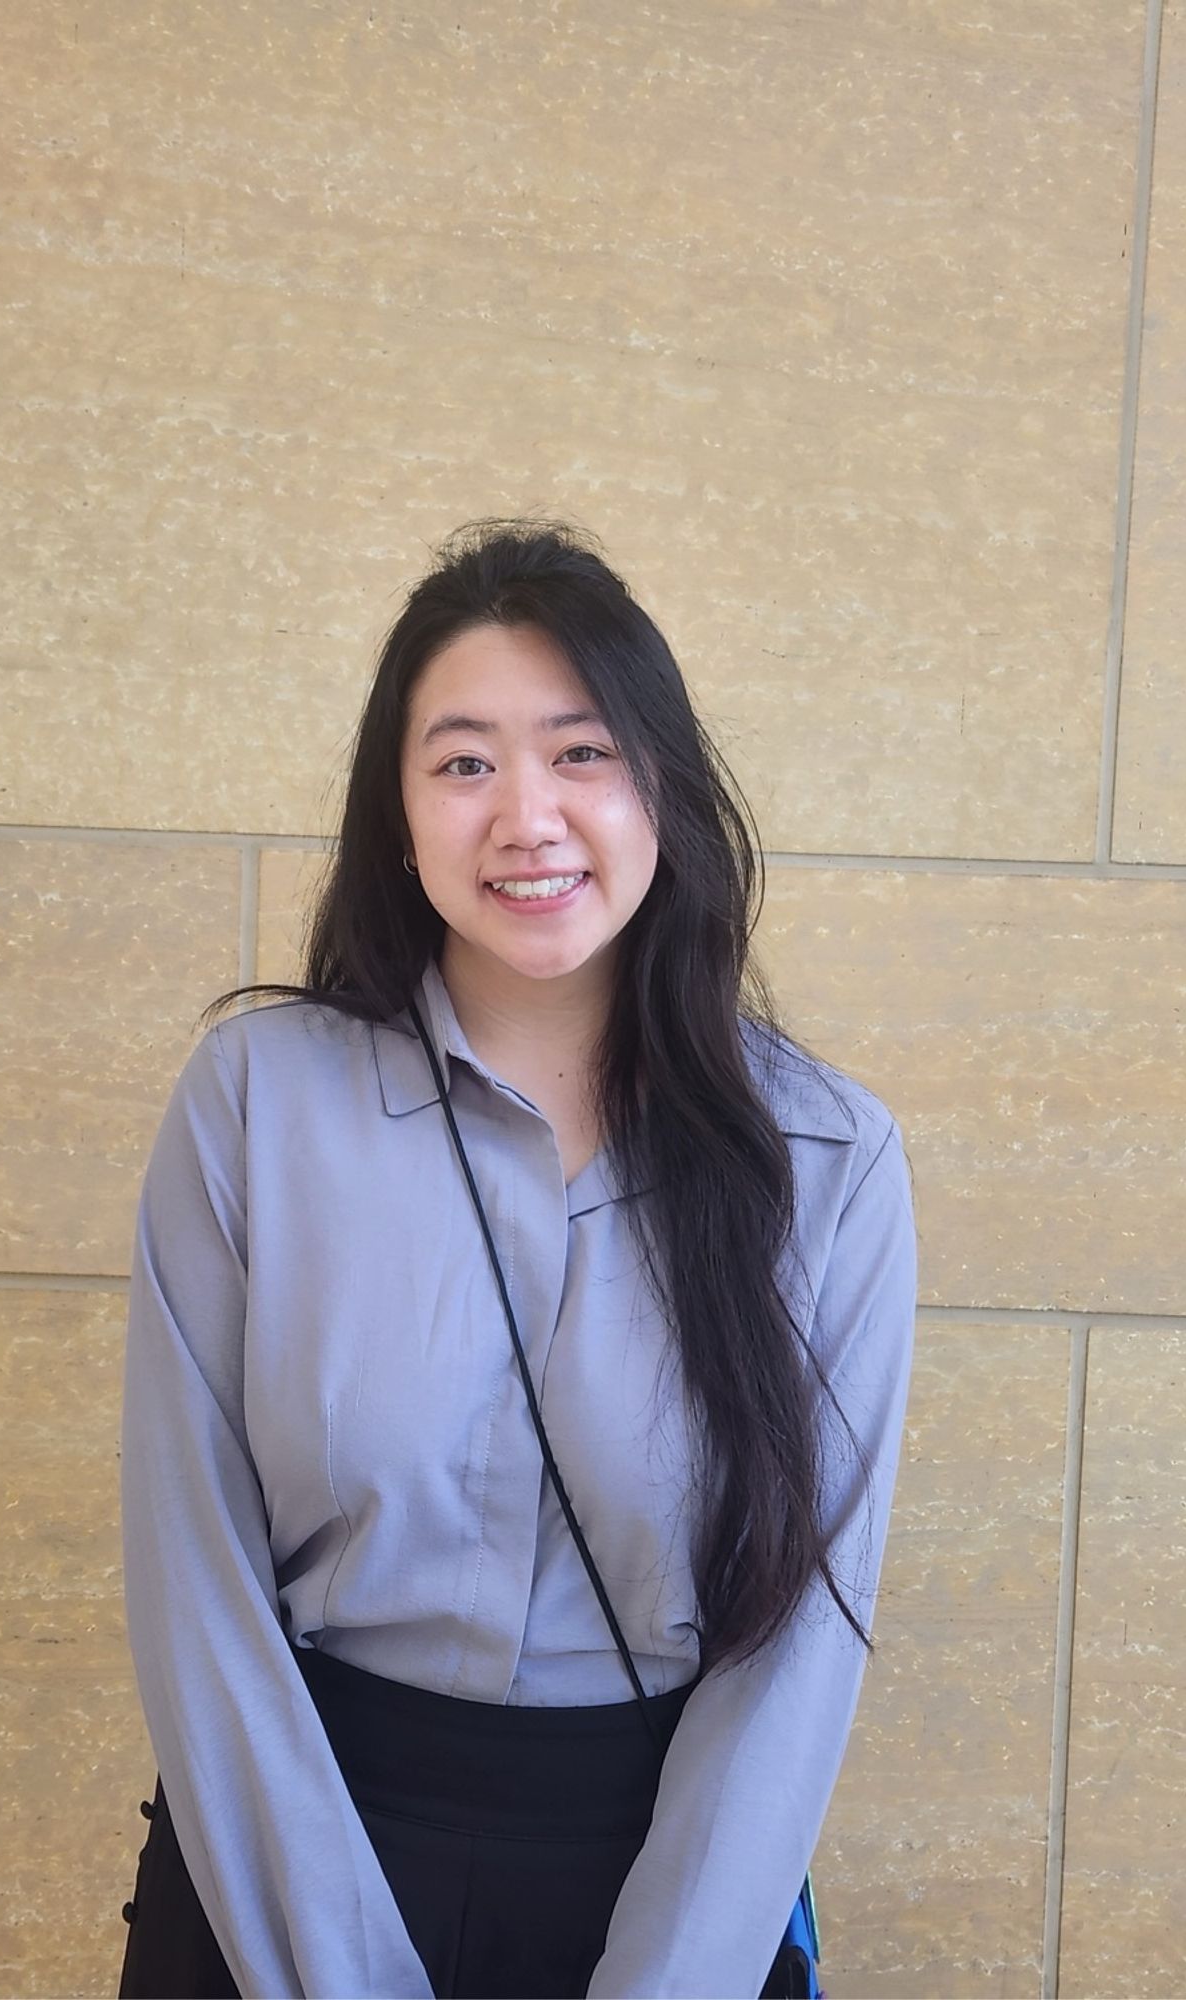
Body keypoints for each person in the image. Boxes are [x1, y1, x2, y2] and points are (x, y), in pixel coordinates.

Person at [115, 517, 918, 2000]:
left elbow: (799, 1653)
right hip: (288, 1860)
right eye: (465, 762)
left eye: (582, 753)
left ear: (661, 787)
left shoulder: (826, 1161)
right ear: (399, 818)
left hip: (666, 1889)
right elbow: (195, 1582)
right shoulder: (256, 1108)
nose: (526, 815)